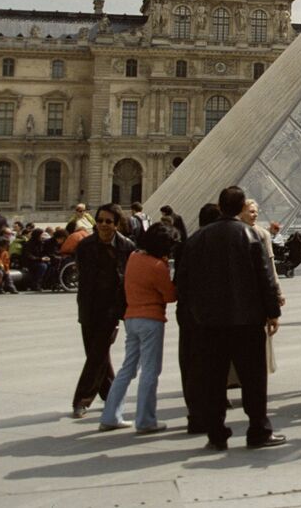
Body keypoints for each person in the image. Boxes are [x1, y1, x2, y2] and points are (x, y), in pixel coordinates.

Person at [175, 186, 285, 450]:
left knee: (213, 379)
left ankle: (216, 434)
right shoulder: (250, 235)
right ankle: (258, 429)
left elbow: (183, 282)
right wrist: (273, 312)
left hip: (209, 323)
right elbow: (265, 278)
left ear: (221, 206)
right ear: (239, 209)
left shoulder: (198, 238)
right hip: (247, 321)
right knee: (254, 379)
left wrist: (195, 314)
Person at [97, 223, 177, 433]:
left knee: (127, 368)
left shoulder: (134, 257)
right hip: (151, 320)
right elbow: (170, 295)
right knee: (150, 370)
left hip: (131, 317)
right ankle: (145, 420)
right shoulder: (157, 266)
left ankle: (110, 415)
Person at [71, 204, 135, 418]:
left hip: (112, 308)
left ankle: (81, 400)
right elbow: (83, 275)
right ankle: (111, 395)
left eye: (108, 221)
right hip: (89, 306)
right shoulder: (85, 246)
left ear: (117, 224)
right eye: (100, 221)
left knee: (97, 352)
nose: (103, 225)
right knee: (97, 354)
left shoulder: (127, 247)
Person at [178, 202, 221, 435]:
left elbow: (180, 284)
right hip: (211, 316)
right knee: (211, 366)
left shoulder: (188, 243)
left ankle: (195, 414)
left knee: (191, 366)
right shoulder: (218, 245)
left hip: (189, 315)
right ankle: (211, 415)